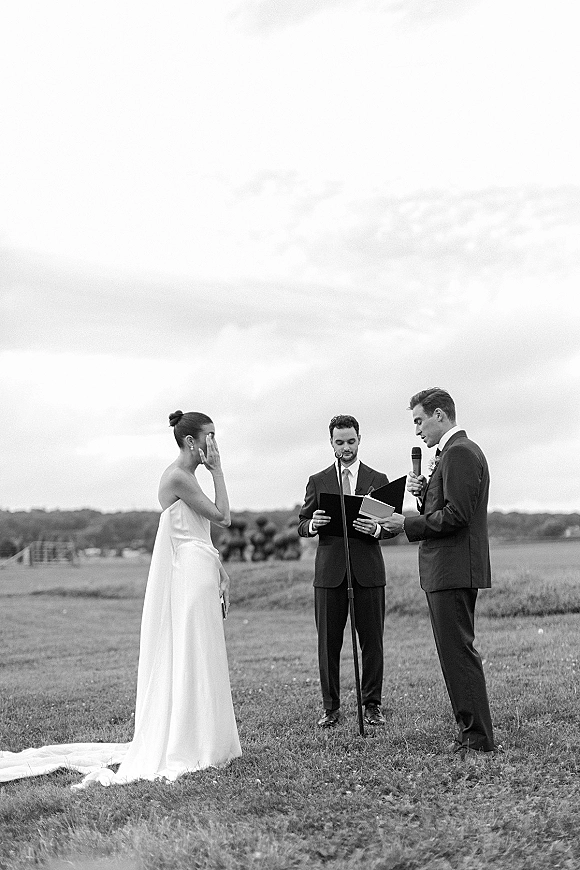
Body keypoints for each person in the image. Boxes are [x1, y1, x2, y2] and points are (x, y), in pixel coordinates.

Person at [0, 411, 241, 787]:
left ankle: (206, 735)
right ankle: (191, 740)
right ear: (191, 442)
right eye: (209, 436)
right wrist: (219, 471)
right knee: (193, 651)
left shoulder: (189, 476)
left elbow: (197, 532)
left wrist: (221, 570)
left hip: (201, 568)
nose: (215, 444)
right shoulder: (179, 476)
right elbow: (223, 516)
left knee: (203, 651)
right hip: (189, 576)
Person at [379, 389, 494, 757]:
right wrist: (424, 492)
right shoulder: (450, 455)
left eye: (418, 420)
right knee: (452, 652)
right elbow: (446, 505)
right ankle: (468, 730)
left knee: (458, 652)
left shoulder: (460, 452)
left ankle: (478, 738)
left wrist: (407, 523)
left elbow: (458, 515)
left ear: (440, 415)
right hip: (445, 568)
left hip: (454, 568)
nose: (416, 431)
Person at [298, 414, 393, 728]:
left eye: (351, 441)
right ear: (331, 443)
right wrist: (313, 525)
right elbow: (302, 523)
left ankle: (372, 705)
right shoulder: (318, 480)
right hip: (329, 573)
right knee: (328, 642)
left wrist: (377, 528)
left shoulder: (378, 478)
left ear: (359, 439)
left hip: (368, 571)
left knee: (373, 642)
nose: (346, 447)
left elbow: (393, 527)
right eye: (340, 442)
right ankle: (331, 707)